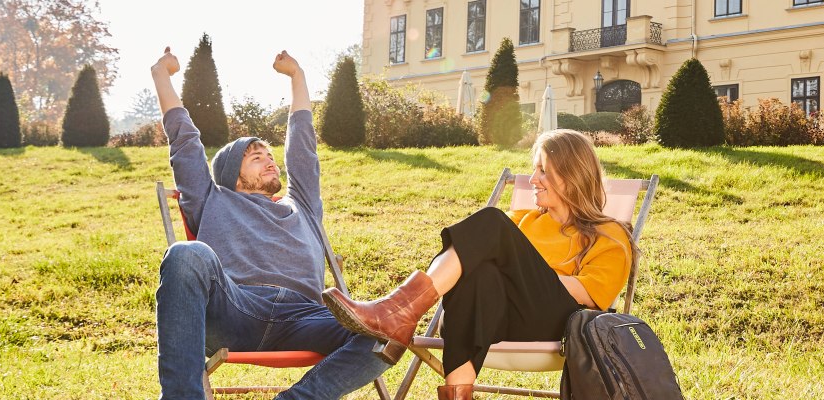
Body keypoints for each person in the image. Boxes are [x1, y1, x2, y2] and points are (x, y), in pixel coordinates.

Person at [321, 129, 634, 400]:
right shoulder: (523, 220)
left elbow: (591, 295)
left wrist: (520, 272)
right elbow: (473, 263)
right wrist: (511, 272)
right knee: (479, 273)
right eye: (534, 170)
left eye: (543, 171)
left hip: (559, 323)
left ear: (571, 176)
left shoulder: (609, 232)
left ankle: (400, 312)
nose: (533, 179)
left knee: (492, 223)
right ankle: (453, 384)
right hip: (500, 318)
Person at [149, 47, 387, 400]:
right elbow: (184, 142)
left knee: (387, 330)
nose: (270, 162)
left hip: (305, 316)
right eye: (256, 157)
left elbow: (303, 148)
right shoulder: (211, 198)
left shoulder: (302, 206)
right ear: (233, 175)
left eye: (270, 156)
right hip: (235, 308)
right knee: (186, 254)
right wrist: (161, 76)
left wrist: (298, 76)